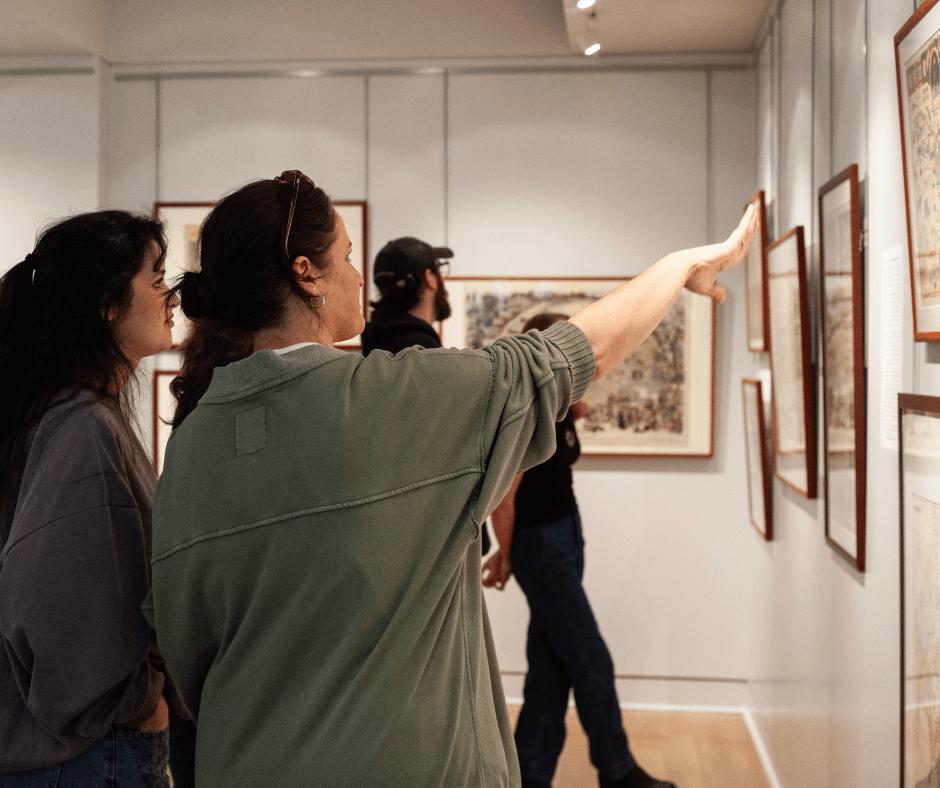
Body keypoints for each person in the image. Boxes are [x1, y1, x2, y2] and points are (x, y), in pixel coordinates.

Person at [146, 169, 756, 788]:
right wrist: (677, 267)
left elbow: (187, 659)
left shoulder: (190, 442)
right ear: (306, 272)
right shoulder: (390, 401)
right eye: (347, 257)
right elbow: (575, 355)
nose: (359, 277)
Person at [0, 211, 190, 785]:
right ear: (107, 304)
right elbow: (60, 611)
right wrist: (137, 706)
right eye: (157, 281)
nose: (173, 297)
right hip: (89, 755)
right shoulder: (82, 424)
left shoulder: (66, 413)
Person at [483, 312, 673, 788]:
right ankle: (617, 769)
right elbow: (502, 496)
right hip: (541, 544)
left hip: (565, 536)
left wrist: (575, 398)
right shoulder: (528, 410)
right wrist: (507, 555)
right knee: (589, 659)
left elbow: (571, 429)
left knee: (550, 668)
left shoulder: (560, 403)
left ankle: (528, 776)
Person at [361, 236, 491, 554]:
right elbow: (446, 457)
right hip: (436, 545)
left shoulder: (378, 350)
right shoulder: (424, 356)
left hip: (394, 538)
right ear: (431, 278)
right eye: (439, 270)